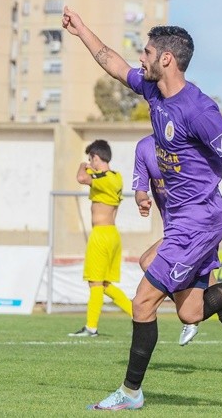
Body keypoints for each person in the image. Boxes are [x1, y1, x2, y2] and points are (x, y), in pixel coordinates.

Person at [62, 6, 222, 410]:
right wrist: (82, 30)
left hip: (198, 221)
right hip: (186, 220)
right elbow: (112, 62)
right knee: (191, 312)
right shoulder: (154, 92)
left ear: (166, 58)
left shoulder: (198, 109)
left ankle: (130, 393)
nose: (140, 58)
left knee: (143, 300)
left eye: (147, 52)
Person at [133, 134, 222, 377]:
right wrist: (142, 200)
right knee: (209, 295)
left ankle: (198, 317)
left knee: (148, 261)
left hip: (198, 226)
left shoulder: (188, 136)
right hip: (177, 231)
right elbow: (140, 189)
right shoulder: (144, 147)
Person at [68, 139, 133, 337]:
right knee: (104, 284)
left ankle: (91, 327)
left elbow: (81, 177)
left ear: (96, 157)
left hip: (101, 234)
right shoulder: (116, 177)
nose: (90, 162)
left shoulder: (104, 178)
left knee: (95, 283)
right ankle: (138, 314)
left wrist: (83, 165)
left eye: (91, 159)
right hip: (112, 234)